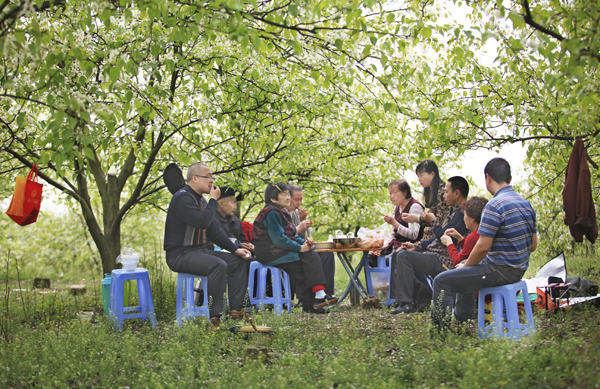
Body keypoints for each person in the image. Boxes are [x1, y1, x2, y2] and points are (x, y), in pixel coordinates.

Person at [431, 158, 537, 334]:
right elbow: (532, 246)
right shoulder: (526, 204)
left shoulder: (494, 205)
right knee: (463, 275)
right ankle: (462, 319)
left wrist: (467, 265)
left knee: (442, 281)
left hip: (499, 270)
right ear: (509, 179)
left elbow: (482, 247)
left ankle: (439, 336)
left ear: (487, 178)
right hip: (519, 270)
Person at [164, 163, 251, 330]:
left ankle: (235, 310)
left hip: (199, 252)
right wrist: (213, 200)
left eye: (212, 177)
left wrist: (235, 249)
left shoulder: (201, 200)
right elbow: (202, 220)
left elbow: (214, 231)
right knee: (218, 265)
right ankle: (215, 317)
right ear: (194, 178)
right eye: (208, 176)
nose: (212, 181)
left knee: (237, 261)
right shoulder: (182, 197)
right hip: (179, 255)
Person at [390, 176, 471, 315]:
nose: (444, 196)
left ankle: (407, 303)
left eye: (446, 192)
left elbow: (446, 239)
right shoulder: (454, 212)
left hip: (443, 259)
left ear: (457, 193)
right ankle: (419, 298)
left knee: (403, 256)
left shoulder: (463, 214)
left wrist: (433, 221)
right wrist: (417, 246)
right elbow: (436, 238)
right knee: (399, 253)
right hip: (434, 255)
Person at [253, 182, 337, 313]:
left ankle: (313, 301)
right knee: (306, 264)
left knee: (309, 256)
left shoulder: (281, 211)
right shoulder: (272, 213)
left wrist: (304, 242)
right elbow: (279, 239)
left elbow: (290, 234)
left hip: (278, 250)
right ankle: (316, 298)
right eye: (283, 195)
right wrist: (299, 249)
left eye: (288, 194)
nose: (287, 197)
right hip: (270, 253)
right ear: (273, 199)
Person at [287, 184, 336, 299]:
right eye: (296, 199)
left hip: (299, 244)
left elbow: (304, 237)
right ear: (288, 197)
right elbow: (284, 236)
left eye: (301, 199)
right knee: (308, 256)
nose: (299, 203)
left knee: (327, 253)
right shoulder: (282, 212)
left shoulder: (296, 213)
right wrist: (299, 227)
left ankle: (325, 293)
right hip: (289, 248)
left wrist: (303, 220)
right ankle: (307, 297)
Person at [402, 160, 450, 243]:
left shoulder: (442, 191)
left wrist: (418, 219)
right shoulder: (430, 192)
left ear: (432, 174)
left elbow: (441, 220)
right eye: (418, 176)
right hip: (427, 240)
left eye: (421, 175)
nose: (419, 179)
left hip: (436, 240)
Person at [440, 196, 488, 266]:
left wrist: (449, 243)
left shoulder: (473, 236)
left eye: (465, 214)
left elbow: (457, 261)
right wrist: (459, 238)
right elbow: (469, 250)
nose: (464, 218)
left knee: (440, 277)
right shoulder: (482, 232)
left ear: (473, 218)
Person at [208, 186, 254, 254]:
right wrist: (237, 245)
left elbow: (242, 241)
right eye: (233, 202)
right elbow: (211, 245)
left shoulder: (236, 221)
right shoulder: (210, 219)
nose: (235, 206)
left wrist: (247, 245)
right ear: (221, 204)